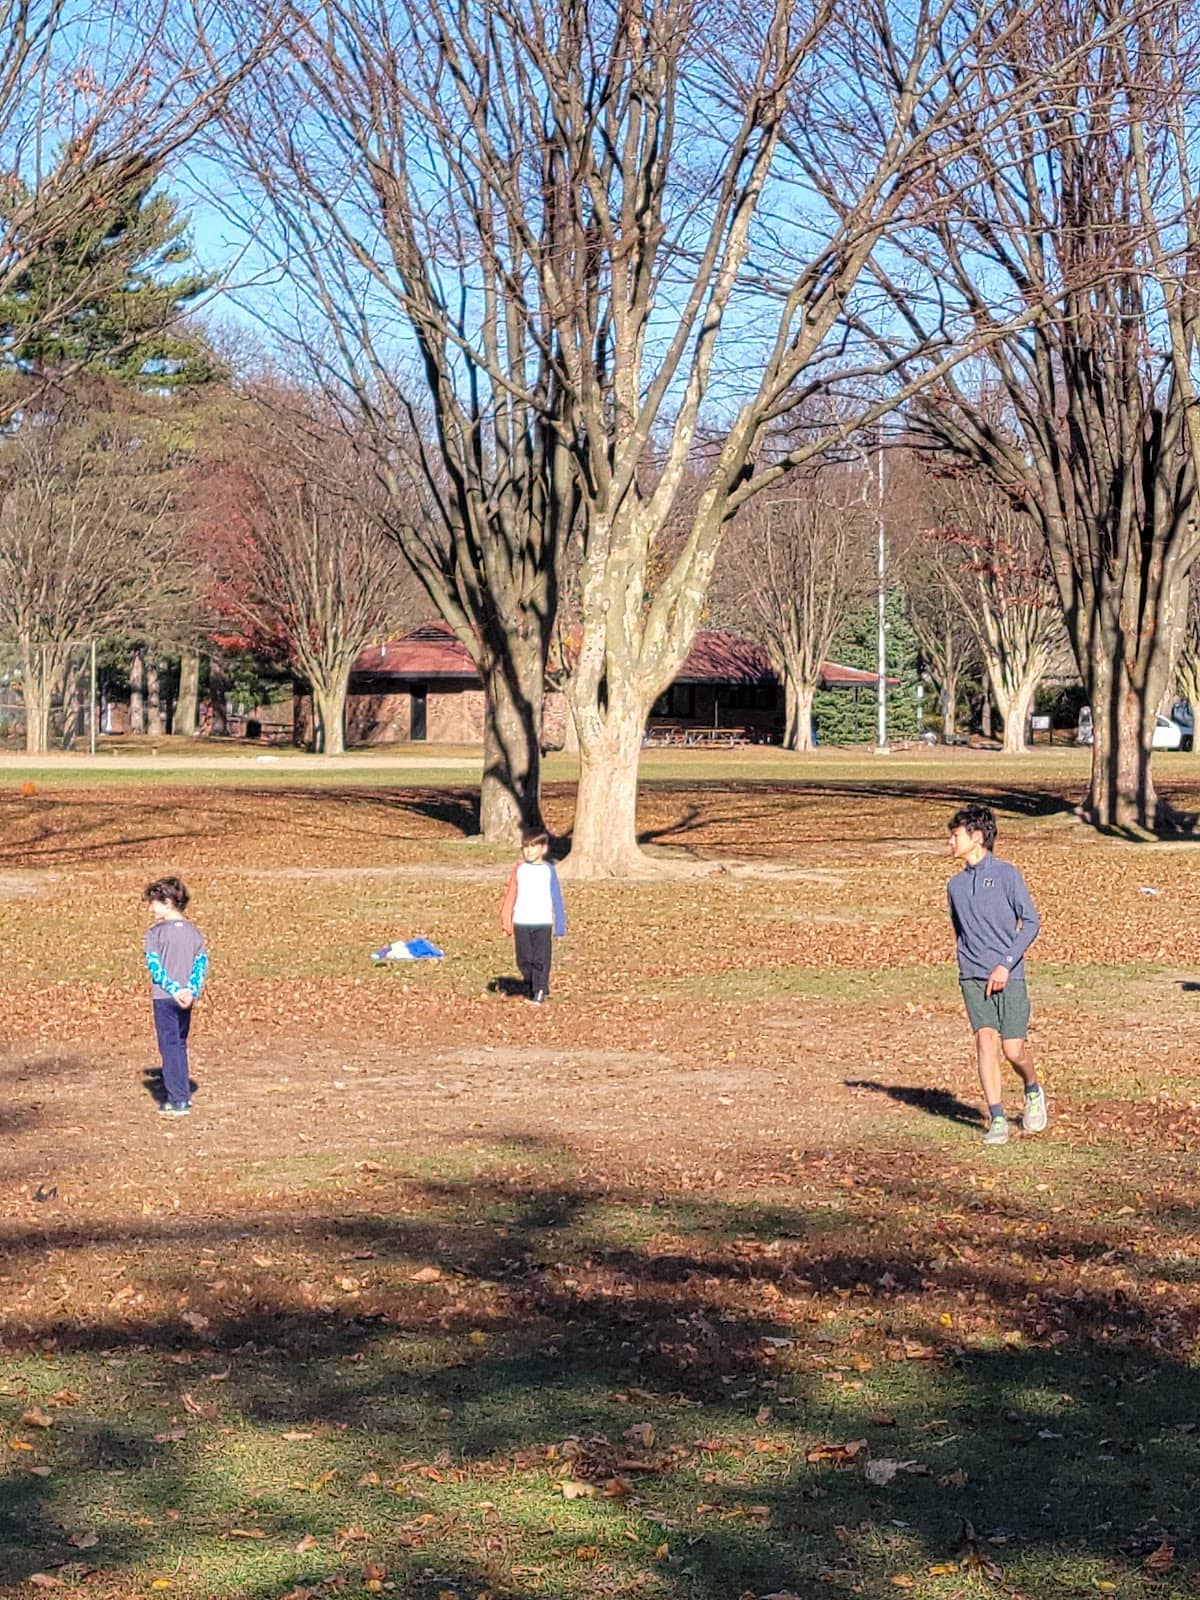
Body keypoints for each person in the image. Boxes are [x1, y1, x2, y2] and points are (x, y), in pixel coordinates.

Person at [946, 804, 1046, 1146]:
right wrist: (967, 966)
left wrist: (1005, 963)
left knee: (1013, 1049)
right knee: (985, 1041)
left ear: (976, 837)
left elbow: (1031, 922)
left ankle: (1032, 1088)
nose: (950, 842)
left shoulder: (1006, 874)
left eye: (955, 835)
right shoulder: (955, 886)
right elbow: (960, 931)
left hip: (1010, 974)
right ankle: (997, 1117)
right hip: (973, 977)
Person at [143, 876, 208, 1116]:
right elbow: (200, 966)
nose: (151, 908)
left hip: (164, 997)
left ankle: (177, 1099)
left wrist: (173, 990)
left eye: (154, 903)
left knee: (169, 1046)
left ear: (168, 902)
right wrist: (190, 991)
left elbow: (155, 968)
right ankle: (182, 1093)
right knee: (179, 1044)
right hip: (186, 998)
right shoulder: (195, 934)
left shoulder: (154, 934)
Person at [499, 828, 567, 1004]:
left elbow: (556, 898)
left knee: (540, 958)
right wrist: (506, 919)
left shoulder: (548, 870)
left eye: (533, 847)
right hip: (521, 920)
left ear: (543, 849)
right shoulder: (519, 870)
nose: (529, 851)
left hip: (542, 921)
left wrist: (560, 924)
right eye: (525, 847)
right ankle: (531, 982)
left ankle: (540, 990)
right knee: (524, 958)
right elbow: (510, 894)